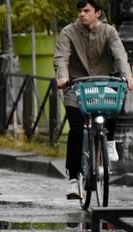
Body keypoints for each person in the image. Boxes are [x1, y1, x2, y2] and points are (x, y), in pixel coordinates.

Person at [55, 0, 133, 200]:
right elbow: (61, 58)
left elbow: (120, 56)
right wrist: (62, 78)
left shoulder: (110, 32)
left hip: (102, 84)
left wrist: (128, 75)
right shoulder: (68, 32)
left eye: (86, 11)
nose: (82, 14)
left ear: (98, 13)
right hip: (76, 86)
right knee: (76, 129)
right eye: (80, 11)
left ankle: (110, 141)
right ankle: (73, 179)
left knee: (117, 95)